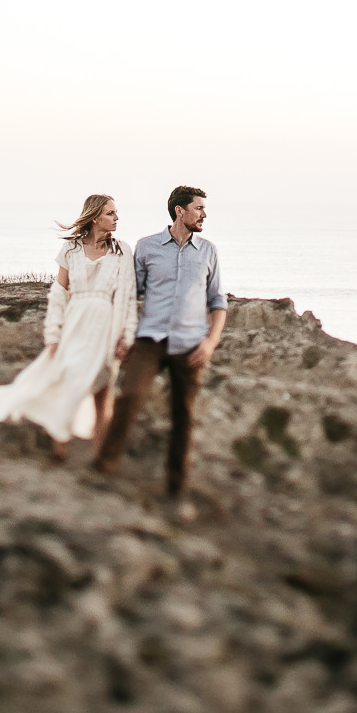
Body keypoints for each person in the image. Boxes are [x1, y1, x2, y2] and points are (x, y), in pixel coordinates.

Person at [92, 185, 225, 501]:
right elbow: (129, 293)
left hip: (190, 345)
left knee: (183, 416)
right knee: (129, 398)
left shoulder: (208, 251)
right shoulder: (147, 247)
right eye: (199, 208)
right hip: (149, 340)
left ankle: (175, 489)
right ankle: (102, 470)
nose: (204, 214)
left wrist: (210, 343)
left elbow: (218, 301)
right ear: (180, 211)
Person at [0, 195, 137, 457]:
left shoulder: (122, 250)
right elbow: (58, 294)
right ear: (95, 217)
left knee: (102, 392)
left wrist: (127, 336)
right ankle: (59, 449)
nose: (116, 218)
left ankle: (100, 458)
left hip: (106, 327)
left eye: (116, 212)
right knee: (70, 383)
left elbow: (128, 296)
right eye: (110, 213)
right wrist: (53, 333)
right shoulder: (71, 249)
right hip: (74, 324)